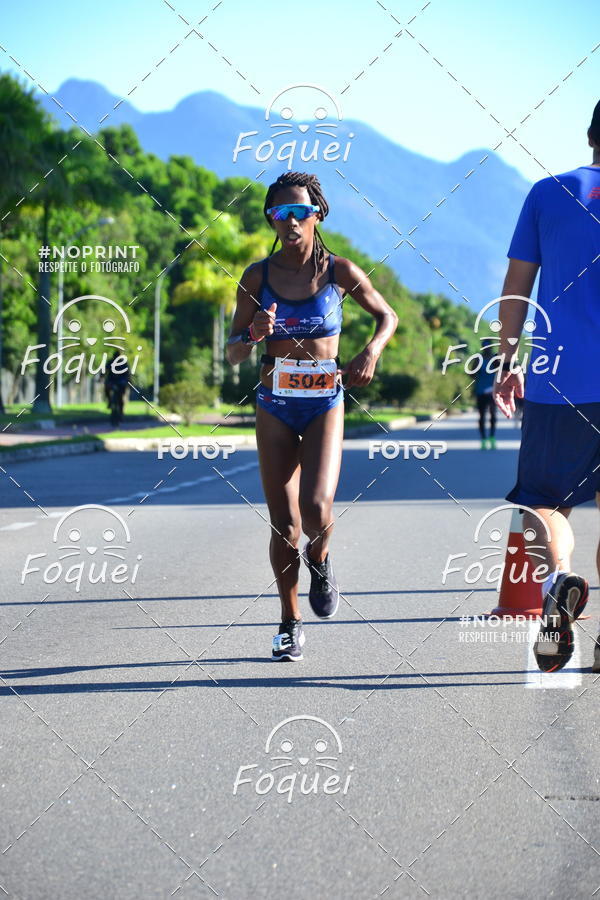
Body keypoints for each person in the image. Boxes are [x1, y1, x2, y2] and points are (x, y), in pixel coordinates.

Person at [226, 171, 398, 661]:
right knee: (284, 523)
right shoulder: (256, 277)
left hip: (324, 402)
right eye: (281, 213)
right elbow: (233, 353)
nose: (291, 221)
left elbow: (388, 316)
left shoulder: (339, 271)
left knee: (317, 508)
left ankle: (319, 560)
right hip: (274, 404)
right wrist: (253, 334)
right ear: (271, 219)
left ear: (317, 215)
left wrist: (370, 352)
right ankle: (289, 621)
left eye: (301, 211)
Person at [494, 100, 600, 672]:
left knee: (543, 500)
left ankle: (559, 578)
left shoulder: (549, 192)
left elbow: (516, 288)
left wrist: (507, 360)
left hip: (561, 380)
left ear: (590, 136)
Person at [474, 344, 497, 449]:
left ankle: (492, 437)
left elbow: (501, 372)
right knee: (482, 415)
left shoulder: (495, 359)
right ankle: (483, 438)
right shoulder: (478, 359)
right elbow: (472, 373)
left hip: (493, 391)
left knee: (493, 414)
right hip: (481, 391)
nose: (487, 349)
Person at [104, 350, 130, 422]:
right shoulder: (111, 362)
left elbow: (127, 374)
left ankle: (120, 413)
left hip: (120, 382)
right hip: (112, 381)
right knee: (107, 388)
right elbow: (105, 370)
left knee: (120, 397)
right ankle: (110, 401)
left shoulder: (123, 364)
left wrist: (126, 381)